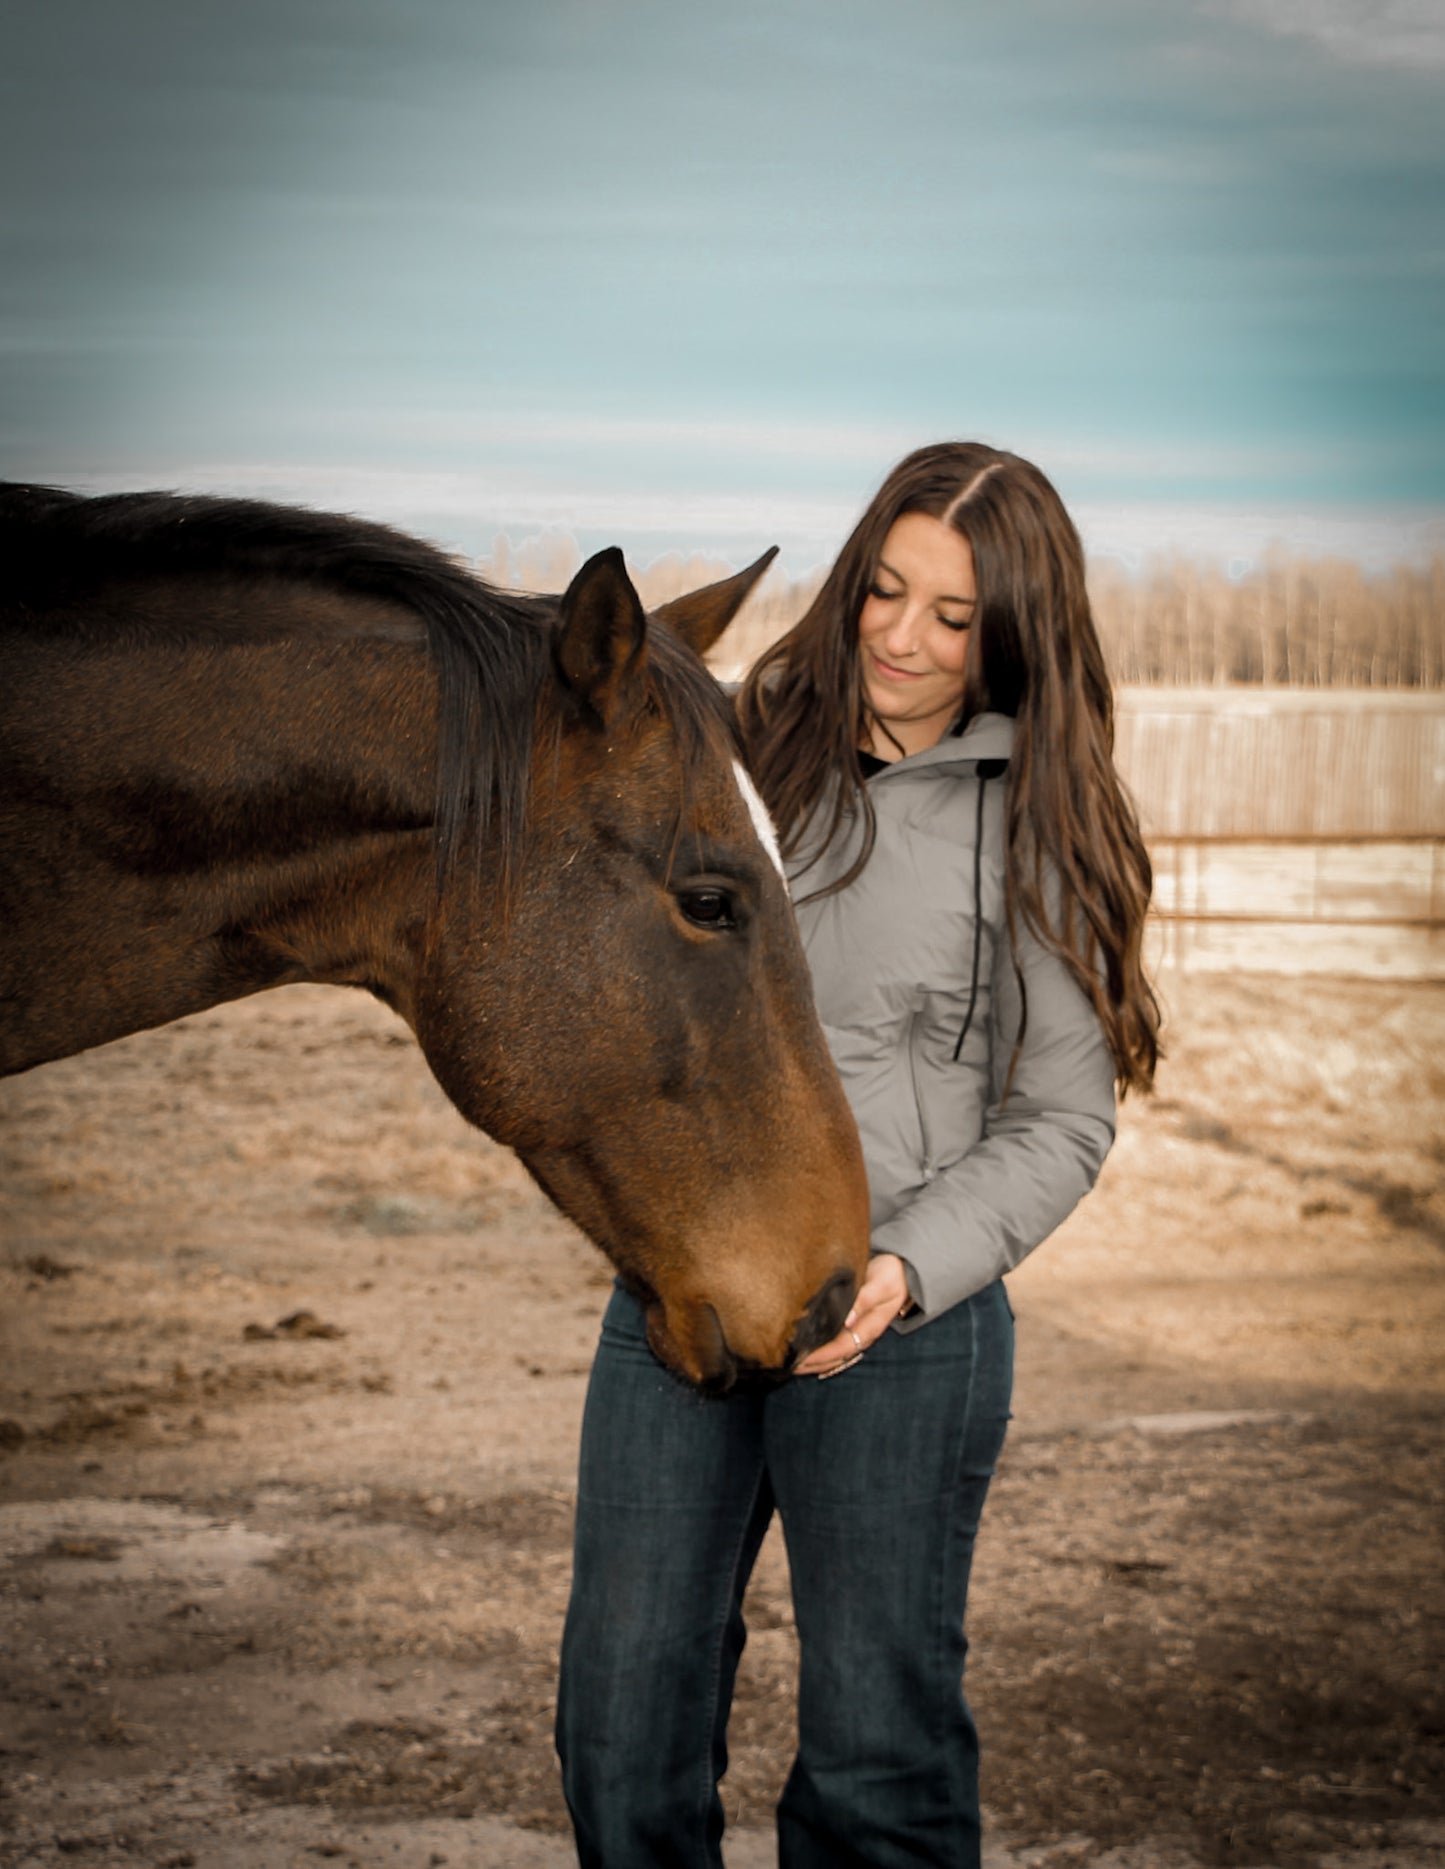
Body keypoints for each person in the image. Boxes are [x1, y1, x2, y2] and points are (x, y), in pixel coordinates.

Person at [554, 442, 1160, 1868]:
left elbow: (1064, 1119)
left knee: (875, 1766)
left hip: (896, 1328)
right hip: (687, 1302)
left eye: (953, 616)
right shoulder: (738, 756)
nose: (901, 636)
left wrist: (906, 1267)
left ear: (1012, 632)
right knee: (618, 1732)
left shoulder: (1041, 824)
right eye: (884, 589)